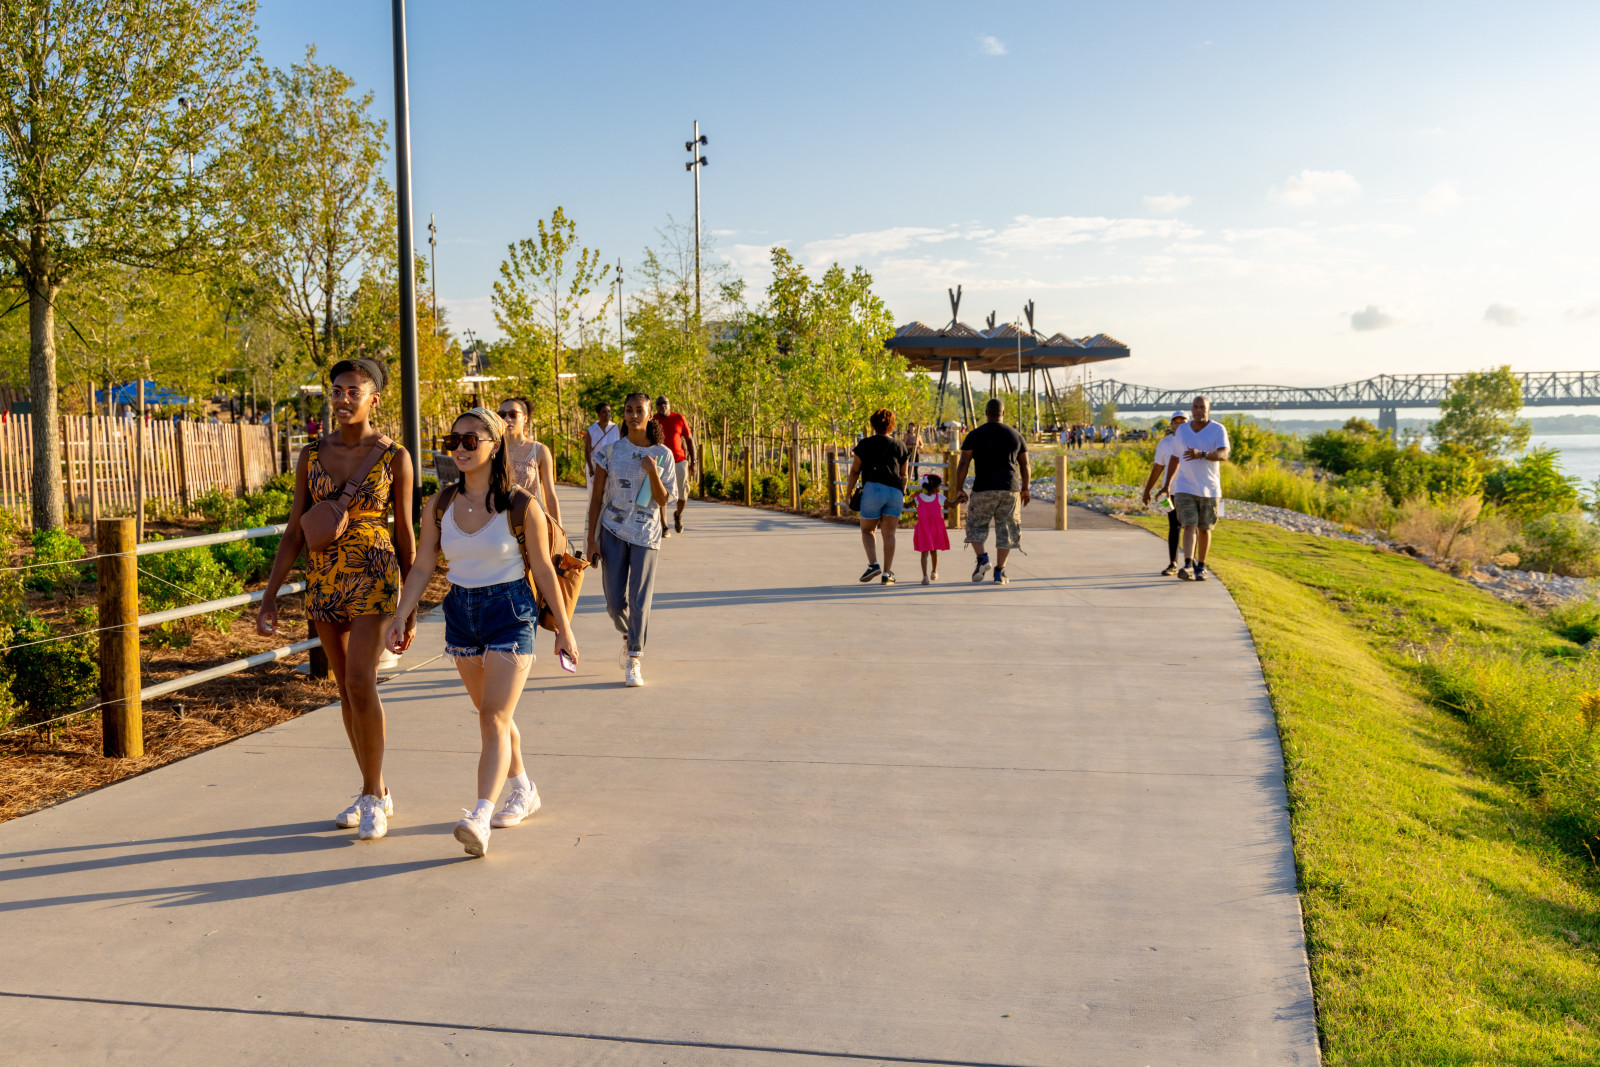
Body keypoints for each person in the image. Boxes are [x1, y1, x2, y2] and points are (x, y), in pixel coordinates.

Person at [385, 408, 578, 858]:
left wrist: (564, 630)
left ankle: (479, 815)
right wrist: (401, 615)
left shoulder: (519, 505)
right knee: (494, 715)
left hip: (511, 611)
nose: (460, 449)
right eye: (454, 440)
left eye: (471, 441)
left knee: (492, 717)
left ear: (495, 445)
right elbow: (424, 564)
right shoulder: (441, 504)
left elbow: (545, 570)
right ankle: (523, 787)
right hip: (461, 613)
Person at [256, 358, 415, 841]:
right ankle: (377, 787)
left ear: (374, 398)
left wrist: (409, 608)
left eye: (353, 391)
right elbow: (294, 532)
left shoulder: (395, 457)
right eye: (337, 390)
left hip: (374, 574)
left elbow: (406, 533)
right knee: (344, 688)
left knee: (362, 681)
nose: (342, 399)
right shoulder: (311, 454)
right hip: (324, 576)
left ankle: (371, 797)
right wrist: (268, 597)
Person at [588, 393, 676, 687]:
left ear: (650, 415)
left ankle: (634, 659)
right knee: (615, 604)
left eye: (640, 410)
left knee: (640, 600)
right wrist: (591, 538)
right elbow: (597, 497)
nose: (633, 414)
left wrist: (652, 471)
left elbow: (663, 500)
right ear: (623, 415)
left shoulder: (663, 454)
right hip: (612, 531)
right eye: (628, 410)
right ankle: (629, 634)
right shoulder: (611, 451)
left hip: (646, 535)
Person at [950, 398, 1029, 585]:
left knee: (975, 526)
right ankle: (999, 573)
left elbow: (963, 463)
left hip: (983, 488)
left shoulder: (974, 435)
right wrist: (1025, 488)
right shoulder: (1015, 435)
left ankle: (982, 558)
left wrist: (958, 489)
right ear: (1003, 413)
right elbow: (1025, 464)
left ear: (986, 413)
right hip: (1009, 489)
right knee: (1007, 530)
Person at [843, 408, 909, 584]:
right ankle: (887, 574)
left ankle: (873, 565)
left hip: (873, 490)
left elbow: (855, 470)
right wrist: (902, 493)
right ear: (892, 424)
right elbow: (904, 475)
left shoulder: (864, 444)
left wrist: (848, 493)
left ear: (873, 424)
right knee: (889, 534)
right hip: (895, 491)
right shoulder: (900, 445)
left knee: (867, 530)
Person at [1171, 395, 1230, 582]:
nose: (1199, 410)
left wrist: (1202, 454)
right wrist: (1166, 486)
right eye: (1195, 407)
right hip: (1184, 486)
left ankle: (1201, 567)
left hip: (1209, 488)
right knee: (1189, 524)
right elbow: (1175, 457)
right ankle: (1188, 565)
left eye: (1202, 407)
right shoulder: (1182, 431)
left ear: (1208, 409)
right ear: (1191, 409)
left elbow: (1223, 454)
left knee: (1204, 528)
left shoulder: (1218, 429)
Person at [496, 397, 560, 525]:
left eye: (513, 414)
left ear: (525, 418)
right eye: (502, 415)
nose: (507, 419)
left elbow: (550, 495)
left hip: (531, 520)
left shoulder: (539, 450)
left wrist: (558, 529)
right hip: (499, 521)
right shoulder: (492, 449)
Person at [1141, 410, 1189, 576]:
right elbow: (1158, 468)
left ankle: (1191, 562)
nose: (1179, 425)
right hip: (1170, 492)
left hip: (1190, 491)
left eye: (1183, 422)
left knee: (1192, 527)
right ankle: (1173, 563)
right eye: (1176, 422)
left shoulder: (1196, 441)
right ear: (1171, 425)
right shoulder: (1165, 444)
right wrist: (1147, 491)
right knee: (1174, 526)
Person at [651, 396, 695, 535]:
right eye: (659, 404)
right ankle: (664, 526)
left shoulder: (679, 418)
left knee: (683, 495)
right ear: (656, 406)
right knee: (660, 494)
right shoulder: (653, 420)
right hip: (660, 462)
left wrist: (694, 462)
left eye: (665, 403)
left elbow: (689, 440)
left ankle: (678, 515)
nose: (662, 405)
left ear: (669, 404)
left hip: (679, 461)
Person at [582, 401, 621, 539]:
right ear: (598, 414)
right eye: (604, 412)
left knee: (611, 494)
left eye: (609, 412)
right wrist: (591, 468)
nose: (607, 414)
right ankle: (594, 524)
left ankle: (609, 523)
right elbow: (587, 451)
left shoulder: (616, 428)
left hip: (612, 467)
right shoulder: (591, 430)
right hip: (595, 467)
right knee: (595, 496)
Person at [911, 473, 950, 585]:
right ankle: (934, 571)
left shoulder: (919, 498)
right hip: (936, 529)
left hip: (923, 528)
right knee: (934, 551)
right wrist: (960, 499)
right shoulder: (939, 497)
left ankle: (925, 576)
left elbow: (907, 505)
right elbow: (951, 505)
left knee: (924, 553)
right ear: (936, 487)